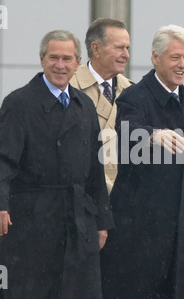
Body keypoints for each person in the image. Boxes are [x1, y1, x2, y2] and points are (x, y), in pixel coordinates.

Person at [0, 30, 114, 299]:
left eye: (67, 59)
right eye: (54, 57)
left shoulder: (84, 106)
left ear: (78, 62)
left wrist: (101, 220)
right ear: (41, 59)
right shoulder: (18, 103)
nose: (60, 65)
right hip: (31, 222)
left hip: (78, 224)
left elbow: (94, 169)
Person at [100, 25, 184, 299]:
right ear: (155, 57)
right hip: (140, 237)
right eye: (175, 57)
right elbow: (126, 133)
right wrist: (152, 135)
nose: (182, 65)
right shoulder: (134, 97)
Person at [70, 18, 132, 194]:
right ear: (96, 49)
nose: (126, 54)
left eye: (127, 48)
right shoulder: (69, 89)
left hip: (123, 203)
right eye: (119, 48)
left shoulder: (133, 91)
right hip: (82, 199)